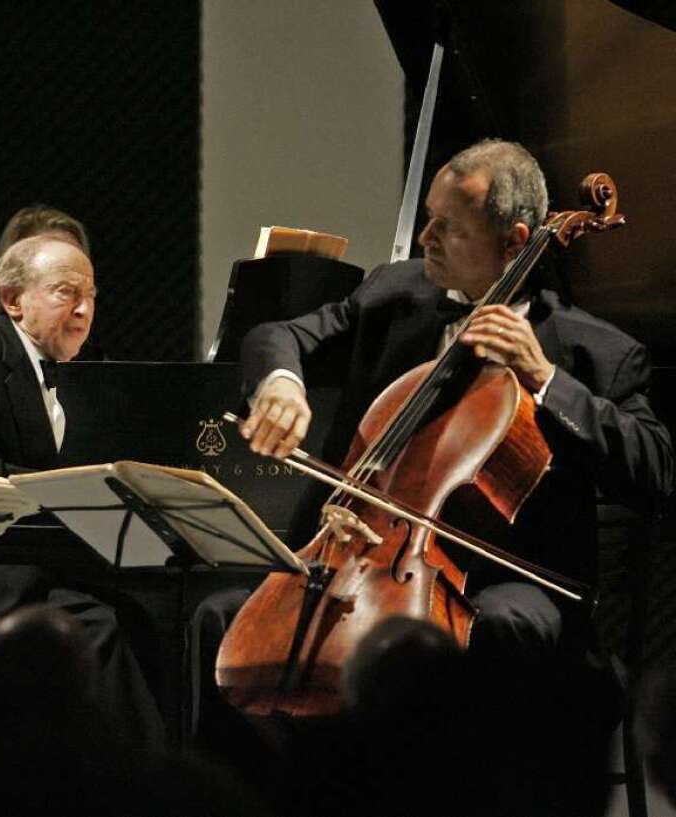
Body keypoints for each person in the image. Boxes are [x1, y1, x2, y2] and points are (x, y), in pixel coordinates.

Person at [189, 139, 673, 800]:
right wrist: (281, 383)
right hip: (372, 557)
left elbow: (654, 469)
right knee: (217, 618)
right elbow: (281, 335)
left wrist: (546, 380)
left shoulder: (596, 351)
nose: (425, 236)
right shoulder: (400, 290)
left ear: (517, 240)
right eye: (428, 217)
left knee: (487, 632)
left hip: (507, 578)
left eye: (449, 226)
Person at [0, 234, 165, 747]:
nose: (85, 310)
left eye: (91, 295)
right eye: (67, 292)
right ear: (13, 300)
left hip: (31, 561)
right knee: (97, 628)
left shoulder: (82, 368)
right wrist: (70, 493)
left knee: (147, 615)